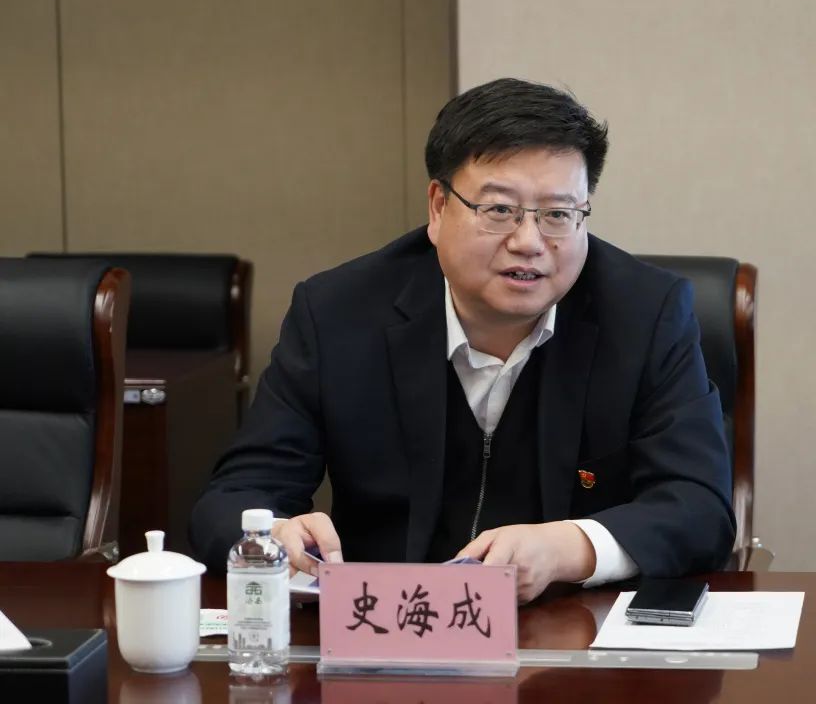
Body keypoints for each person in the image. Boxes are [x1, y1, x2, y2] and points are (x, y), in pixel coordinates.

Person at [190, 78, 735, 602]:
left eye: (558, 214)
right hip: (383, 628)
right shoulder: (338, 314)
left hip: (570, 632)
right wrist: (274, 534)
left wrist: (570, 548)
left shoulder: (645, 314)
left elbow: (699, 506)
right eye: (499, 210)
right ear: (437, 207)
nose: (529, 242)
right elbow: (235, 496)